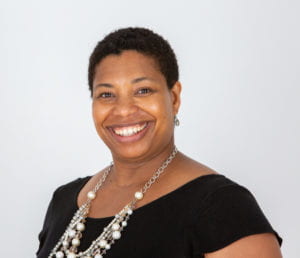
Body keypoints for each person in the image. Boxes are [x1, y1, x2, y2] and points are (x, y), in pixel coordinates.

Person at [36, 27, 283, 258]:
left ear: (174, 98)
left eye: (143, 90)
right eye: (106, 94)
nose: (123, 110)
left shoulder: (223, 207)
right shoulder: (64, 201)